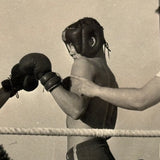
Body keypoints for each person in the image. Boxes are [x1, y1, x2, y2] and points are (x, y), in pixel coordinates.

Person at [14, 17, 118, 160]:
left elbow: (76, 109)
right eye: (67, 45)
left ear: (91, 41)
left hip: (84, 152)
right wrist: (63, 87)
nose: (70, 50)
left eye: (72, 44)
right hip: (102, 151)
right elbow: (108, 130)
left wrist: (46, 77)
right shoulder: (110, 77)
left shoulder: (83, 63)